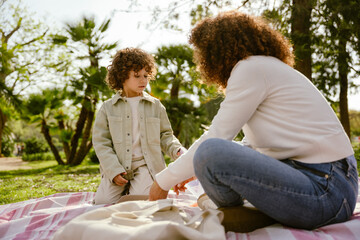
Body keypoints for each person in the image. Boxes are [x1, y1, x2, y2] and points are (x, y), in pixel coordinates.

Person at [149, 11, 358, 232]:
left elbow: (217, 135)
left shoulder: (250, 68)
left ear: (217, 49)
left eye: (202, 53)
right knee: (216, 153)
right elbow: (253, 147)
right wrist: (195, 168)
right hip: (330, 186)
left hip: (327, 191)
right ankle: (250, 213)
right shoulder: (264, 68)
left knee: (211, 151)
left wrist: (163, 181)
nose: (201, 61)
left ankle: (239, 212)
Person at [93, 48, 184, 205]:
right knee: (103, 203)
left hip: (146, 166)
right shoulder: (108, 108)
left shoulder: (156, 105)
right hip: (118, 165)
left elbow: (165, 135)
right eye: (137, 76)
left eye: (145, 76)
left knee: (142, 201)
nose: (143, 80)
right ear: (122, 76)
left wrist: (176, 149)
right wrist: (113, 171)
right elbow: (101, 143)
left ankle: (135, 189)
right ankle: (123, 187)